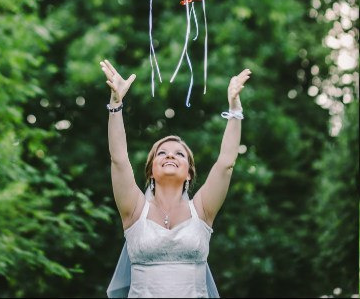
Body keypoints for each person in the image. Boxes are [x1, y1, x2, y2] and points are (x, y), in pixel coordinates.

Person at [100, 59, 252, 298]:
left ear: (189, 172)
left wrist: (235, 111)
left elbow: (226, 164)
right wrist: (116, 105)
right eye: (162, 152)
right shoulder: (134, 209)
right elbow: (119, 158)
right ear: (151, 170)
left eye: (179, 154)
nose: (170, 154)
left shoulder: (201, 210)